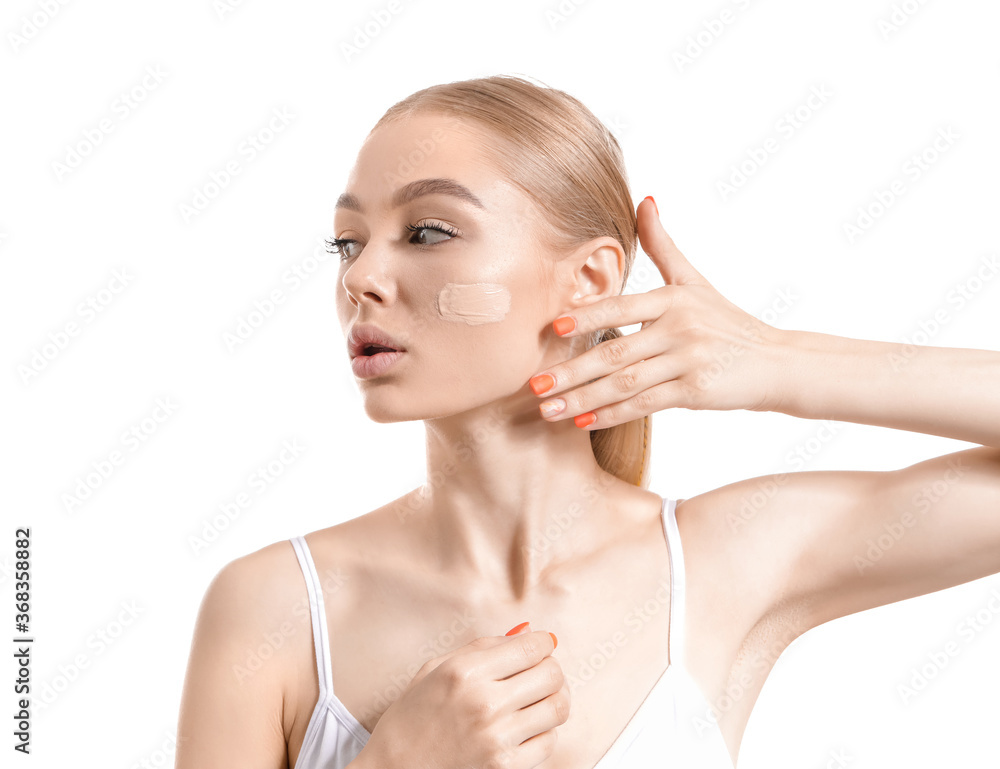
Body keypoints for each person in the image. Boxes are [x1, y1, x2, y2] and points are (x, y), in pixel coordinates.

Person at [174, 74, 1000, 769]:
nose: (363, 279)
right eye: (347, 244)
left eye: (426, 231)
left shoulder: (725, 563)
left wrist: (775, 361)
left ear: (591, 279)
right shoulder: (275, 608)